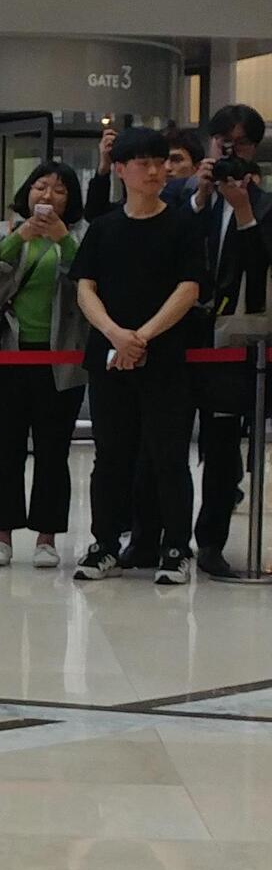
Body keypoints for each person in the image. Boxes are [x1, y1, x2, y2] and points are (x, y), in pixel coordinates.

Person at [71, 124, 205, 585]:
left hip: (164, 358)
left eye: (160, 163)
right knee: (110, 455)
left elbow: (189, 288)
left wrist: (141, 337)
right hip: (110, 358)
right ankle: (104, 543)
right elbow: (85, 288)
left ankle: (175, 547)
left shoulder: (183, 224)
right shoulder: (104, 227)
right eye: (143, 164)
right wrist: (115, 335)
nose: (154, 171)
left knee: (168, 455)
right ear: (121, 170)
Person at [0, 158, 85, 568]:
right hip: (8, 354)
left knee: (53, 450)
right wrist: (20, 236)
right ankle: (2, 537)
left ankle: (46, 538)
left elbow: (91, 276)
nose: (47, 195)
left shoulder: (80, 234)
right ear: (28, 192)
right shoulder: (4, 230)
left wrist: (63, 240)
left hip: (61, 357)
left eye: (59, 189)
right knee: (6, 448)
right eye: (40, 186)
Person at [186, 103, 269, 576]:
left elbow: (260, 271)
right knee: (162, 442)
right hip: (179, 332)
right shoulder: (184, 195)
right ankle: (156, 537)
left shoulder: (265, 205)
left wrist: (243, 212)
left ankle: (211, 541)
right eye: (223, 142)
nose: (230, 151)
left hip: (233, 340)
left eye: (240, 144)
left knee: (220, 448)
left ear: (254, 149)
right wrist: (200, 197)